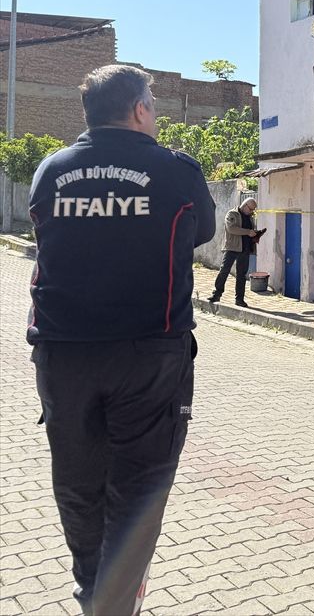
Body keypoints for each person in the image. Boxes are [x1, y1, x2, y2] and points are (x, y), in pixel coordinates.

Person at [27, 64, 216, 616]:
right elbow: (201, 231)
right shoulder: (175, 170)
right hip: (149, 355)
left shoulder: (50, 168)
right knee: (139, 489)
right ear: (139, 110)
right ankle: (113, 602)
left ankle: (93, 590)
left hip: (64, 353)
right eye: (152, 103)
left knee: (79, 482)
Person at [208, 197, 264, 306]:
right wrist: (248, 232)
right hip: (232, 247)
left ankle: (239, 299)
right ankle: (216, 294)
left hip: (245, 249)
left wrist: (256, 235)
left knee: (241, 275)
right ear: (245, 205)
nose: (252, 212)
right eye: (251, 209)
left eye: (253, 210)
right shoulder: (232, 214)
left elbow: (249, 232)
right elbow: (232, 229)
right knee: (224, 270)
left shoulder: (249, 217)